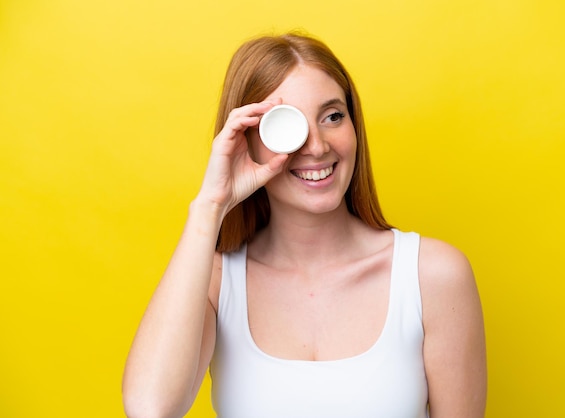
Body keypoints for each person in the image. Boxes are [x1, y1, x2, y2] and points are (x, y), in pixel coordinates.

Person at [122, 32, 487, 418]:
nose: (316, 146)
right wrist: (210, 206)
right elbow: (150, 409)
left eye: (333, 116)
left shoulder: (433, 276)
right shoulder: (217, 283)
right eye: (287, 125)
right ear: (247, 141)